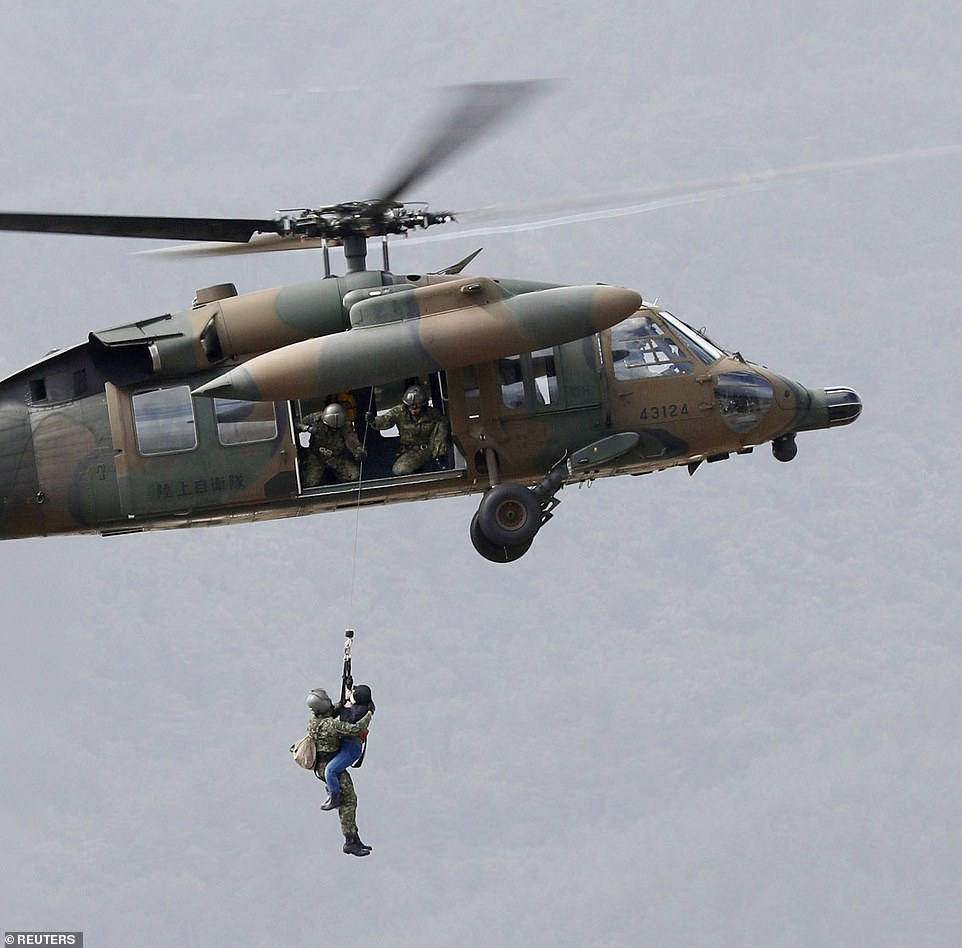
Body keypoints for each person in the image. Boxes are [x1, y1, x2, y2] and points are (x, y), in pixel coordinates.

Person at [306, 688, 374, 857]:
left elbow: (335, 709)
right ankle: (350, 841)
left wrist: (346, 697)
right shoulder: (331, 725)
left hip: (322, 766)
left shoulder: (315, 721)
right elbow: (354, 729)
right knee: (348, 800)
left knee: (349, 799)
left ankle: (353, 837)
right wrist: (368, 715)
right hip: (330, 767)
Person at [367, 384, 449, 475]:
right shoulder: (400, 412)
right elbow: (386, 420)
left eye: (417, 407)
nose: (413, 410)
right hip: (409, 451)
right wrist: (373, 421)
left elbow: (441, 433)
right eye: (410, 407)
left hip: (429, 449)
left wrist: (439, 451)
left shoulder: (434, 415)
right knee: (400, 469)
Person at [321, 684, 375, 810]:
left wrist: (346, 706)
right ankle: (331, 789)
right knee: (325, 765)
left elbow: (346, 724)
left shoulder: (361, 711)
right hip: (346, 744)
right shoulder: (362, 706)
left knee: (330, 770)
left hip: (351, 748)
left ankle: (335, 797)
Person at [298, 402, 366, 486]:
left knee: (353, 475)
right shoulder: (316, 418)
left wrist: (359, 452)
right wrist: (306, 428)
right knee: (309, 481)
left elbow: (352, 440)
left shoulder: (345, 425)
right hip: (316, 456)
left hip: (336, 457)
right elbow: (297, 423)